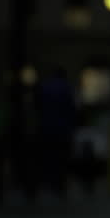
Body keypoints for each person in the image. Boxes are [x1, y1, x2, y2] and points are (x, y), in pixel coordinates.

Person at [35, 67, 77, 196]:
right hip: (63, 129)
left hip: (46, 127)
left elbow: (37, 105)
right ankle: (60, 184)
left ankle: (50, 181)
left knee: (48, 156)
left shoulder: (44, 86)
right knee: (62, 156)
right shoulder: (67, 87)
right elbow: (72, 107)